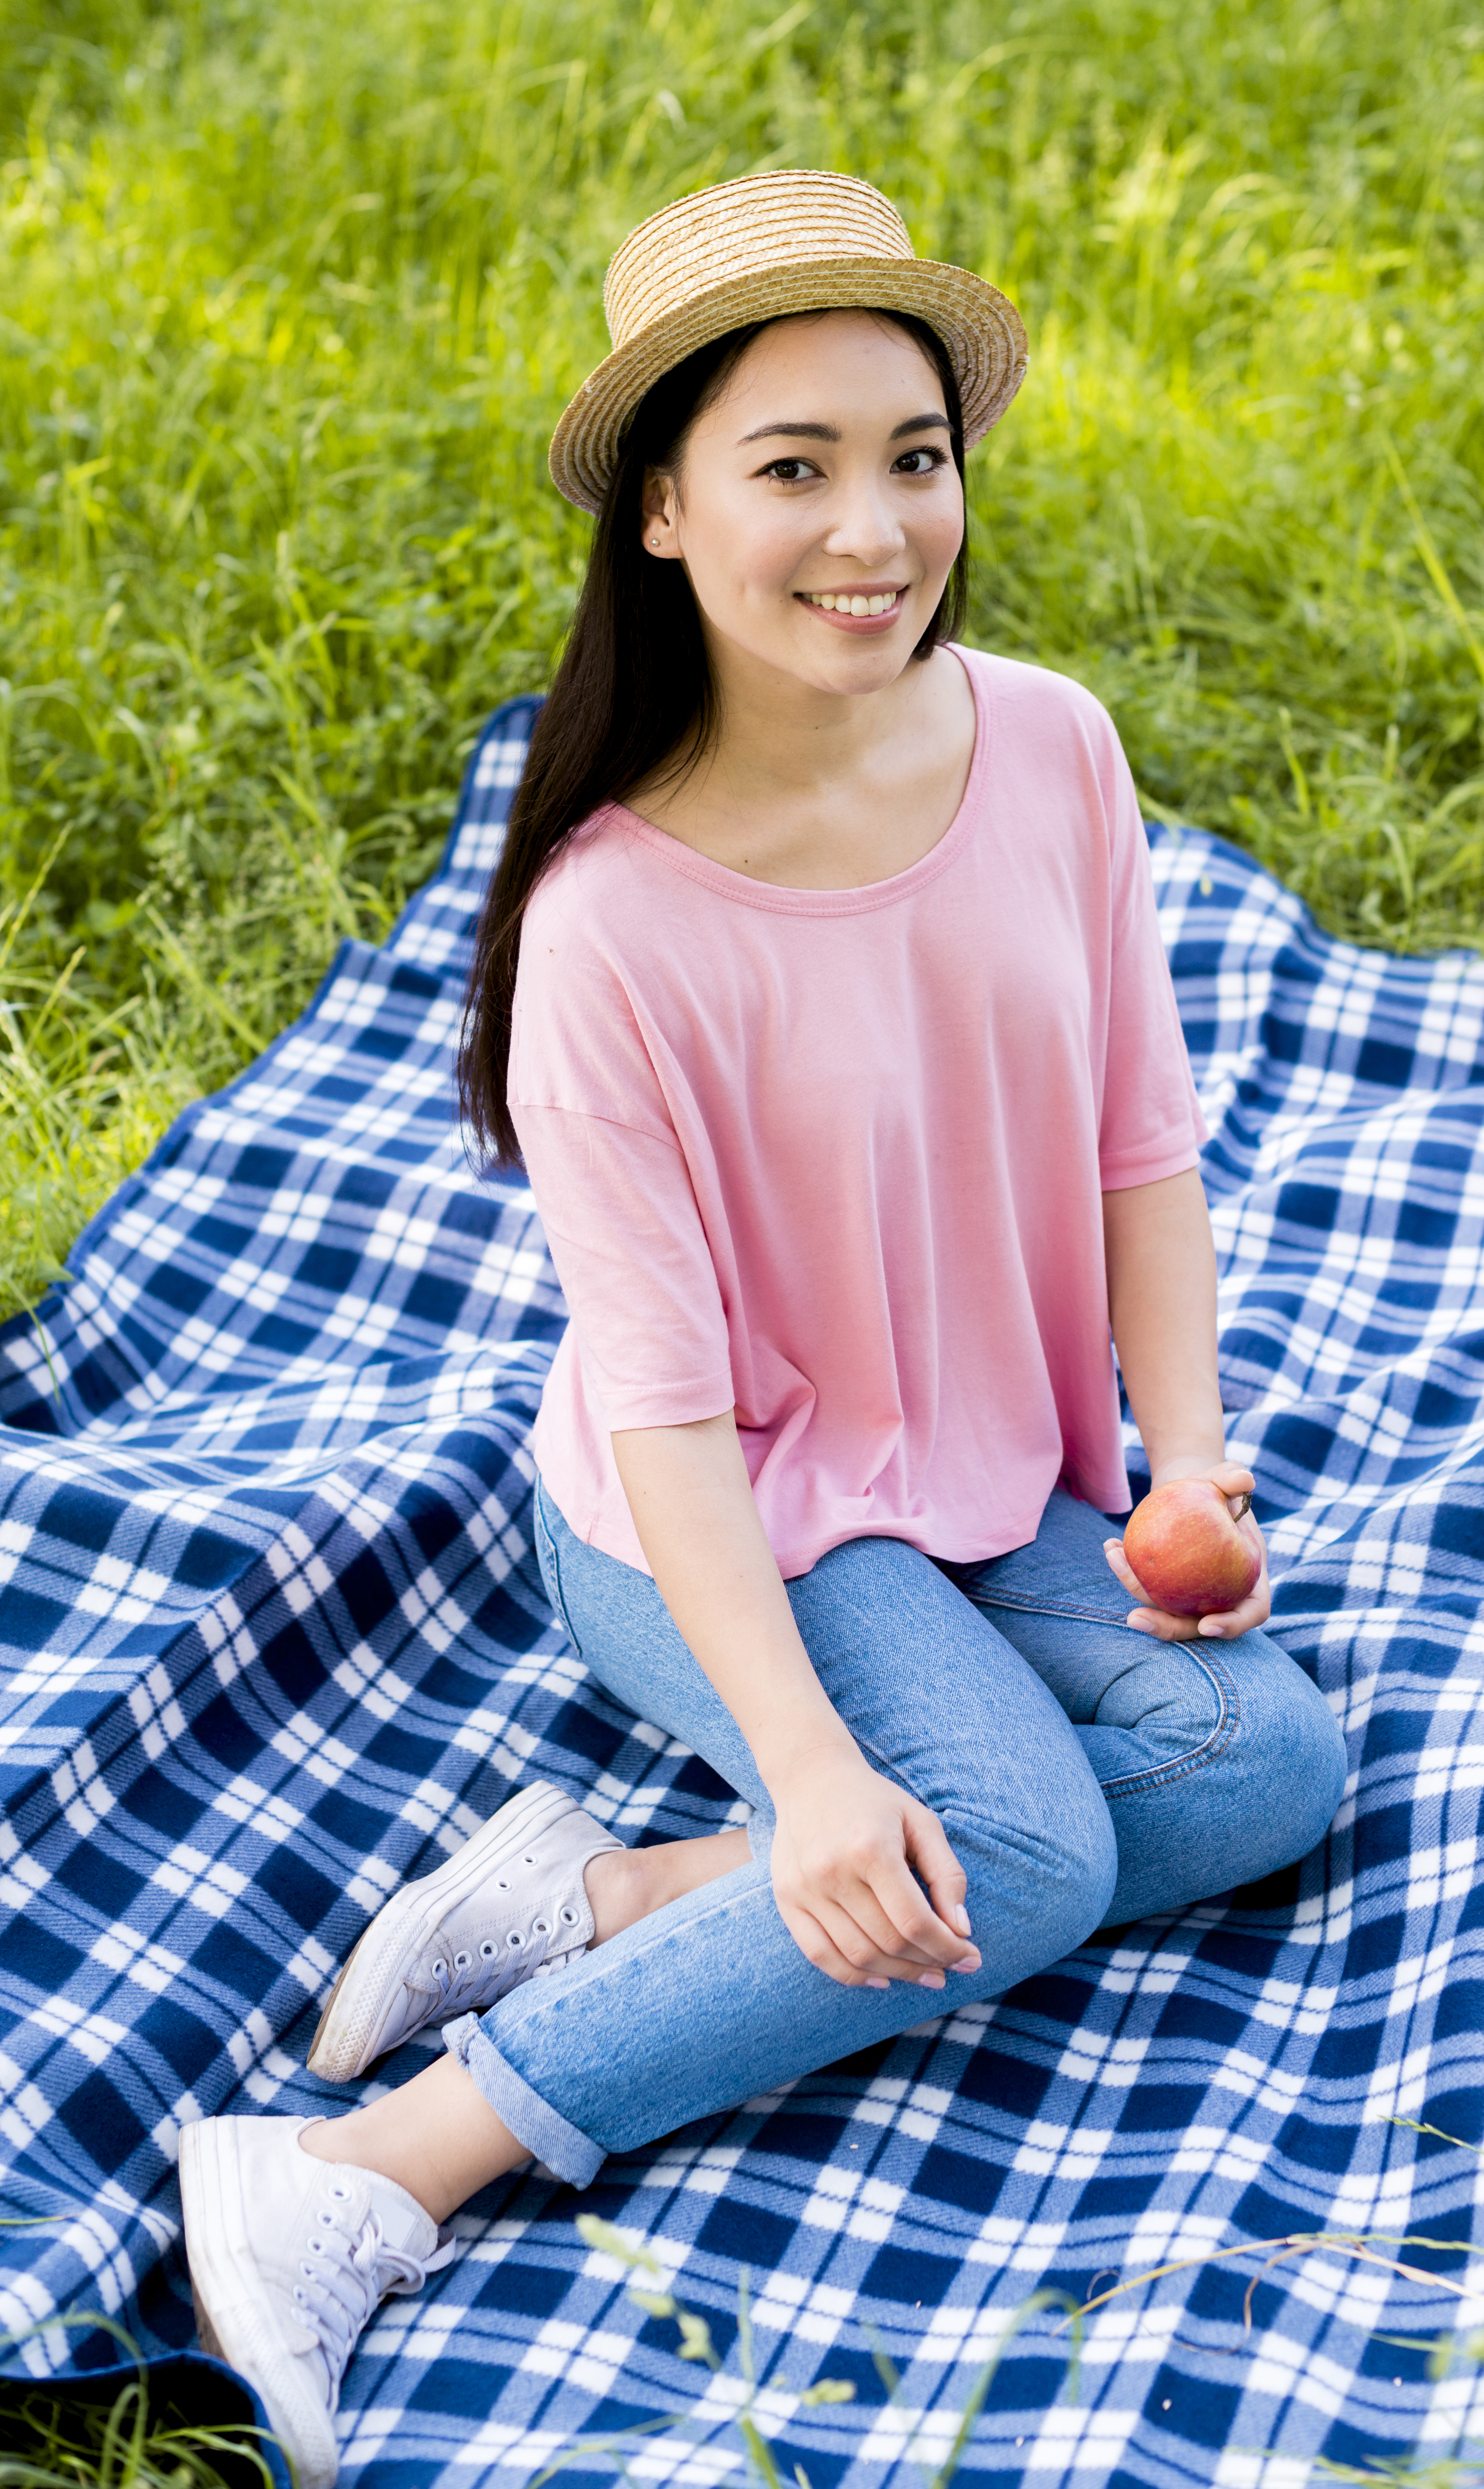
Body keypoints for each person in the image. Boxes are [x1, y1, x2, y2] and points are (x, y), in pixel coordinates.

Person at [179, 170, 1346, 2489]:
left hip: (998, 1473)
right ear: (660, 514)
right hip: (705, 1517)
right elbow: (669, 1403)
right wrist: (814, 1775)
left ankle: (595, 1895)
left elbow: (1140, 1141)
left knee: (1270, 1769)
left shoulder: (1049, 744)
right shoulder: (616, 928)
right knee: (1011, 1856)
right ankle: (357, 2174)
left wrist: (1185, 1461)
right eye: (789, 469)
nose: (870, 530)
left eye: (908, 456)